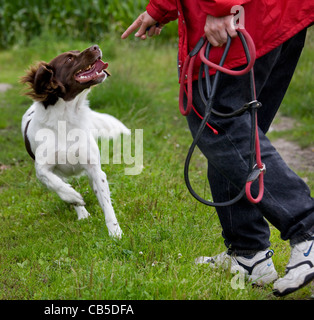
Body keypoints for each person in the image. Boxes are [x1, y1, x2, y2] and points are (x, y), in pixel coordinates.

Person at [121, 0, 314, 296]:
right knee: (238, 133)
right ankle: (249, 254)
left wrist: (221, 6)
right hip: (275, 13)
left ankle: (307, 229)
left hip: (243, 16)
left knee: (220, 123)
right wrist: (161, 7)